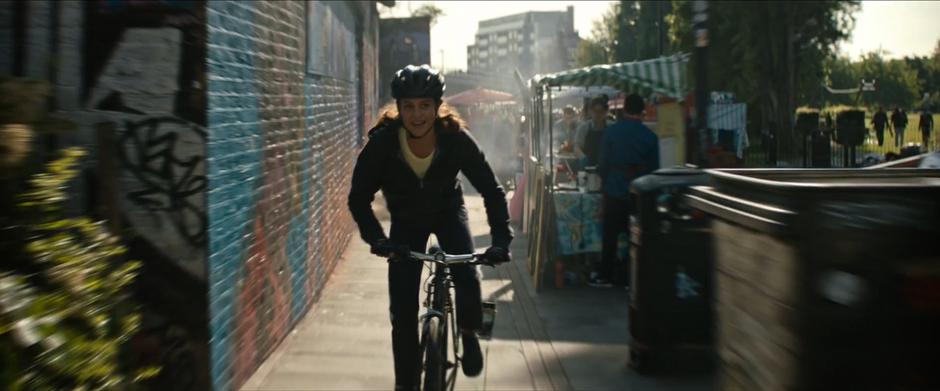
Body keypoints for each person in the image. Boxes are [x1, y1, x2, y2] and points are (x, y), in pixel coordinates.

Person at [347, 64, 512, 390]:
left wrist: (501, 241)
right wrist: (378, 240)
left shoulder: (455, 139)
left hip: (448, 212)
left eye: (424, 106)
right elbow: (358, 199)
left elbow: (491, 190)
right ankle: (406, 384)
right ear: (399, 108)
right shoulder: (382, 145)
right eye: (408, 106)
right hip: (407, 222)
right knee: (403, 314)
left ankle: (468, 333)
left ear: (437, 106)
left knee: (466, 273)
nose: (417, 114)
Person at [592, 94, 660, 288]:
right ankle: (634, 277)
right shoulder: (651, 136)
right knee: (636, 236)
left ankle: (606, 275)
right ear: (642, 111)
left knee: (610, 235)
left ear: (625, 110)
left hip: (614, 189)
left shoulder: (611, 133)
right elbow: (655, 170)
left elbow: (602, 164)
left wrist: (606, 181)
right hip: (639, 193)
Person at [576, 95, 615, 167]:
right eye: (595, 111)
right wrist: (583, 158)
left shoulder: (612, 127)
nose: (598, 114)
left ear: (606, 112)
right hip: (588, 167)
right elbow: (577, 147)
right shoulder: (584, 128)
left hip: (608, 166)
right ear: (590, 111)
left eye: (601, 111)